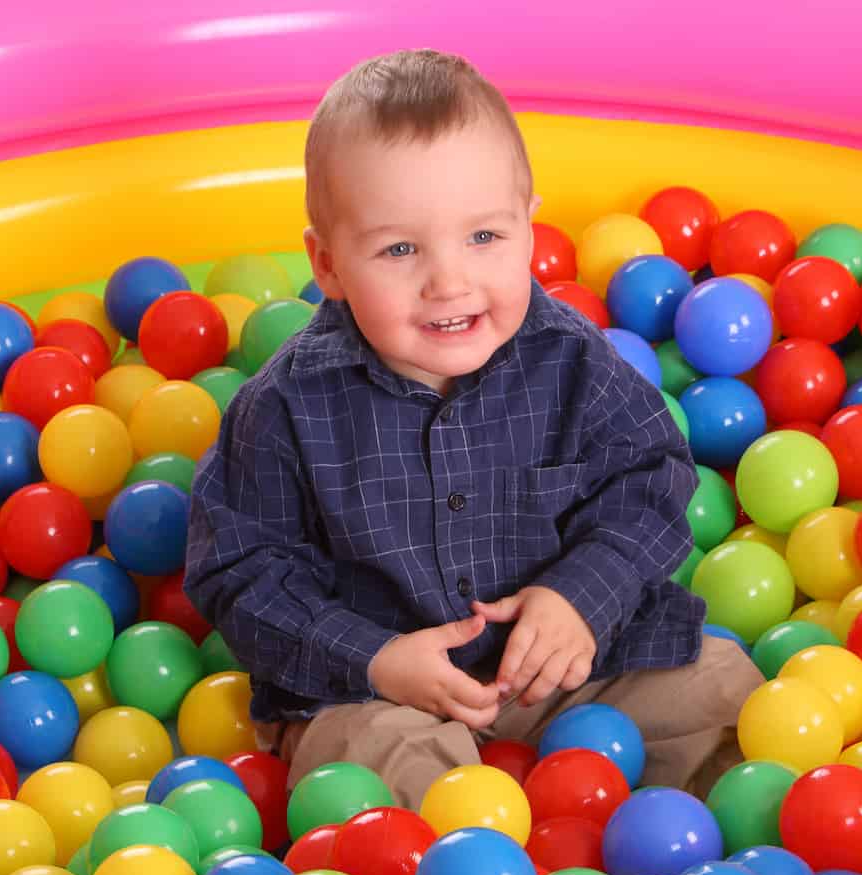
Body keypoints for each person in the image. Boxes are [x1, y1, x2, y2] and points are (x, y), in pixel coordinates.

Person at [184, 48, 763, 810]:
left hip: (571, 670)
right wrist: (377, 658)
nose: (448, 281)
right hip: (384, 695)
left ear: (528, 228)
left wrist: (579, 598)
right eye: (399, 249)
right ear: (327, 266)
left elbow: (650, 479)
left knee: (729, 695)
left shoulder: (572, 361)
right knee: (376, 767)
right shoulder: (287, 406)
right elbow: (241, 571)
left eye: (483, 238)